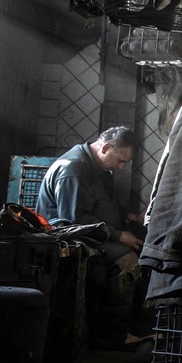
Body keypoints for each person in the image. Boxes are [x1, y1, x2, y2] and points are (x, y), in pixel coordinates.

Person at [36, 126, 154, 349]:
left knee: (147, 248)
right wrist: (119, 236)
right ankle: (115, 337)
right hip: (72, 239)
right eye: (120, 161)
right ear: (107, 148)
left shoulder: (99, 168)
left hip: (97, 233)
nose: (121, 167)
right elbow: (74, 220)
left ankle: (139, 327)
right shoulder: (74, 170)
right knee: (127, 262)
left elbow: (105, 202)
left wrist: (125, 213)